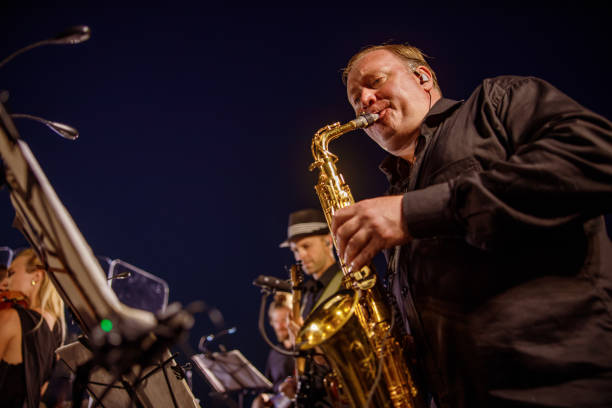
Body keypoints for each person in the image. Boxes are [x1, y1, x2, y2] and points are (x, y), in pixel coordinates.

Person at [330, 43, 612, 408]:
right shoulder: (395, 193)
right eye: (356, 99)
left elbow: (594, 158)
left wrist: (413, 212)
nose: (365, 100)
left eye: (375, 82)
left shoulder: (495, 103)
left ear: (423, 77)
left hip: (559, 385)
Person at [0, 248, 65, 408]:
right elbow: (38, 391)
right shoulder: (58, 331)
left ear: (37, 276)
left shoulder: (11, 318)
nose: (6, 282)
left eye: (12, 273)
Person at [279, 208, 342, 319]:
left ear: (328, 241)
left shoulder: (347, 282)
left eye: (306, 246)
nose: (300, 256)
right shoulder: (308, 293)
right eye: (295, 250)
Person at [252, 292, 295, 408]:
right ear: (271, 323)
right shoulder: (274, 353)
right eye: (276, 322)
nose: (280, 326)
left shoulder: (304, 349)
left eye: (284, 321)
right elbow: (270, 387)